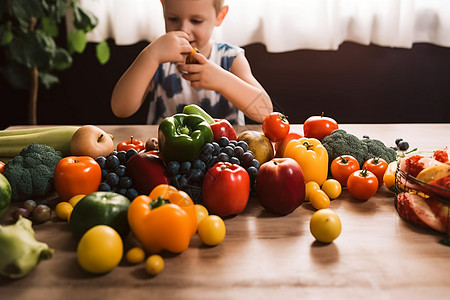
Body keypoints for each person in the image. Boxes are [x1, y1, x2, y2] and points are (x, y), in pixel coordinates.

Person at [111, 0, 273, 125]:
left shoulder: (230, 57)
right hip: (168, 155)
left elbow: (265, 112)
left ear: (220, 16)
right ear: (163, 8)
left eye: (196, 20)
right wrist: (150, 56)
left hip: (224, 158)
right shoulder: (158, 58)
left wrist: (223, 81)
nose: (184, 29)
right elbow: (120, 108)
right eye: (173, 18)